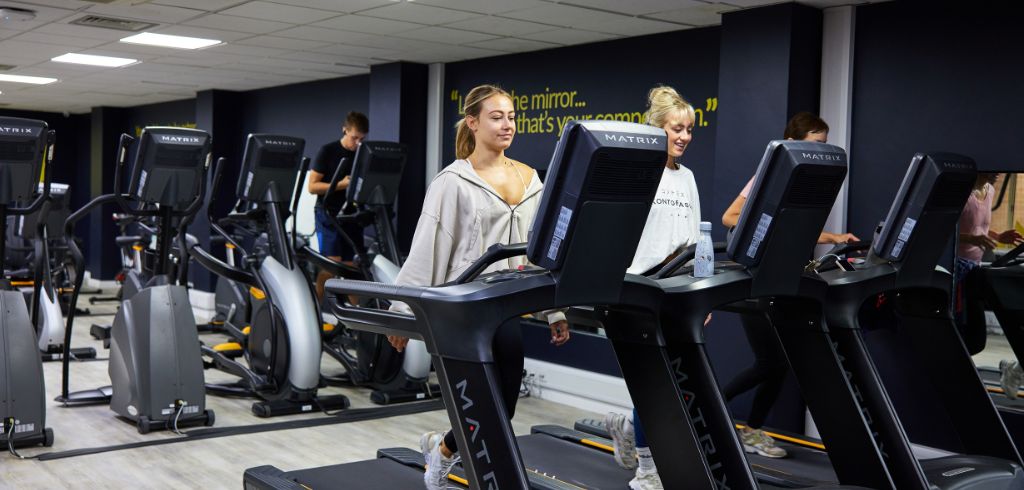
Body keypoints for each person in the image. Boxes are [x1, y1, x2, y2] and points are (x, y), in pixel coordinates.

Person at [382, 84, 570, 490]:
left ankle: (442, 447)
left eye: (513, 117)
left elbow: (538, 251)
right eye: (497, 116)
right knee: (485, 402)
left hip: (506, 305)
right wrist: (401, 315)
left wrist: (554, 310)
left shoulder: (530, 179)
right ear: (473, 121)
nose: (508, 125)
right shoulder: (452, 181)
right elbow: (427, 250)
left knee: (505, 404)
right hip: (463, 309)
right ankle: (451, 458)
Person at [719, 112, 858, 459]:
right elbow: (729, 217)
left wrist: (835, 238)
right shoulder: (768, 177)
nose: (822, 152)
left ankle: (751, 429)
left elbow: (800, 232)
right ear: (794, 143)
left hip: (782, 282)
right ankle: (713, 407)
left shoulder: (810, 185)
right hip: (755, 281)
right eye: (816, 144)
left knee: (779, 364)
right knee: (771, 363)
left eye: (826, 145)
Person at [603, 85, 704, 490]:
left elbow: (695, 236)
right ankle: (646, 469)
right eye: (676, 128)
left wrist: (700, 293)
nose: (683, 136)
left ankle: (628, 428)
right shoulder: (640, 172)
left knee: (673, 383)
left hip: (678, 292)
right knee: (654, 383)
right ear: (657, 128)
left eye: (689, 129)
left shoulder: (689, 178)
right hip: (638, 290)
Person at [955, 173, 1024, 397]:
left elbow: (979, 229)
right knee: (968, 337)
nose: (997, 175)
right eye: (992, 171)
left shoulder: (990, 191)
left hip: (975, 267)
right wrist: (972, 240)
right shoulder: (963, 194)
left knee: (976, 340)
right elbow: (947, 231)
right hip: (956, 268)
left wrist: (998, 236)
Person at [308, 111, 368, 299]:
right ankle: (316, 312)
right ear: (345, 130)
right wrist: (340, 184)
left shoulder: (361, 154)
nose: (357, 143)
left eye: (362, 139)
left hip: (350, 215)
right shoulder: (328, 151)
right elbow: (312, 187)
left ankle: (356, 322)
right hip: (328, 213)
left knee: (352, 270)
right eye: (354, 138)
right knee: (331, 265)